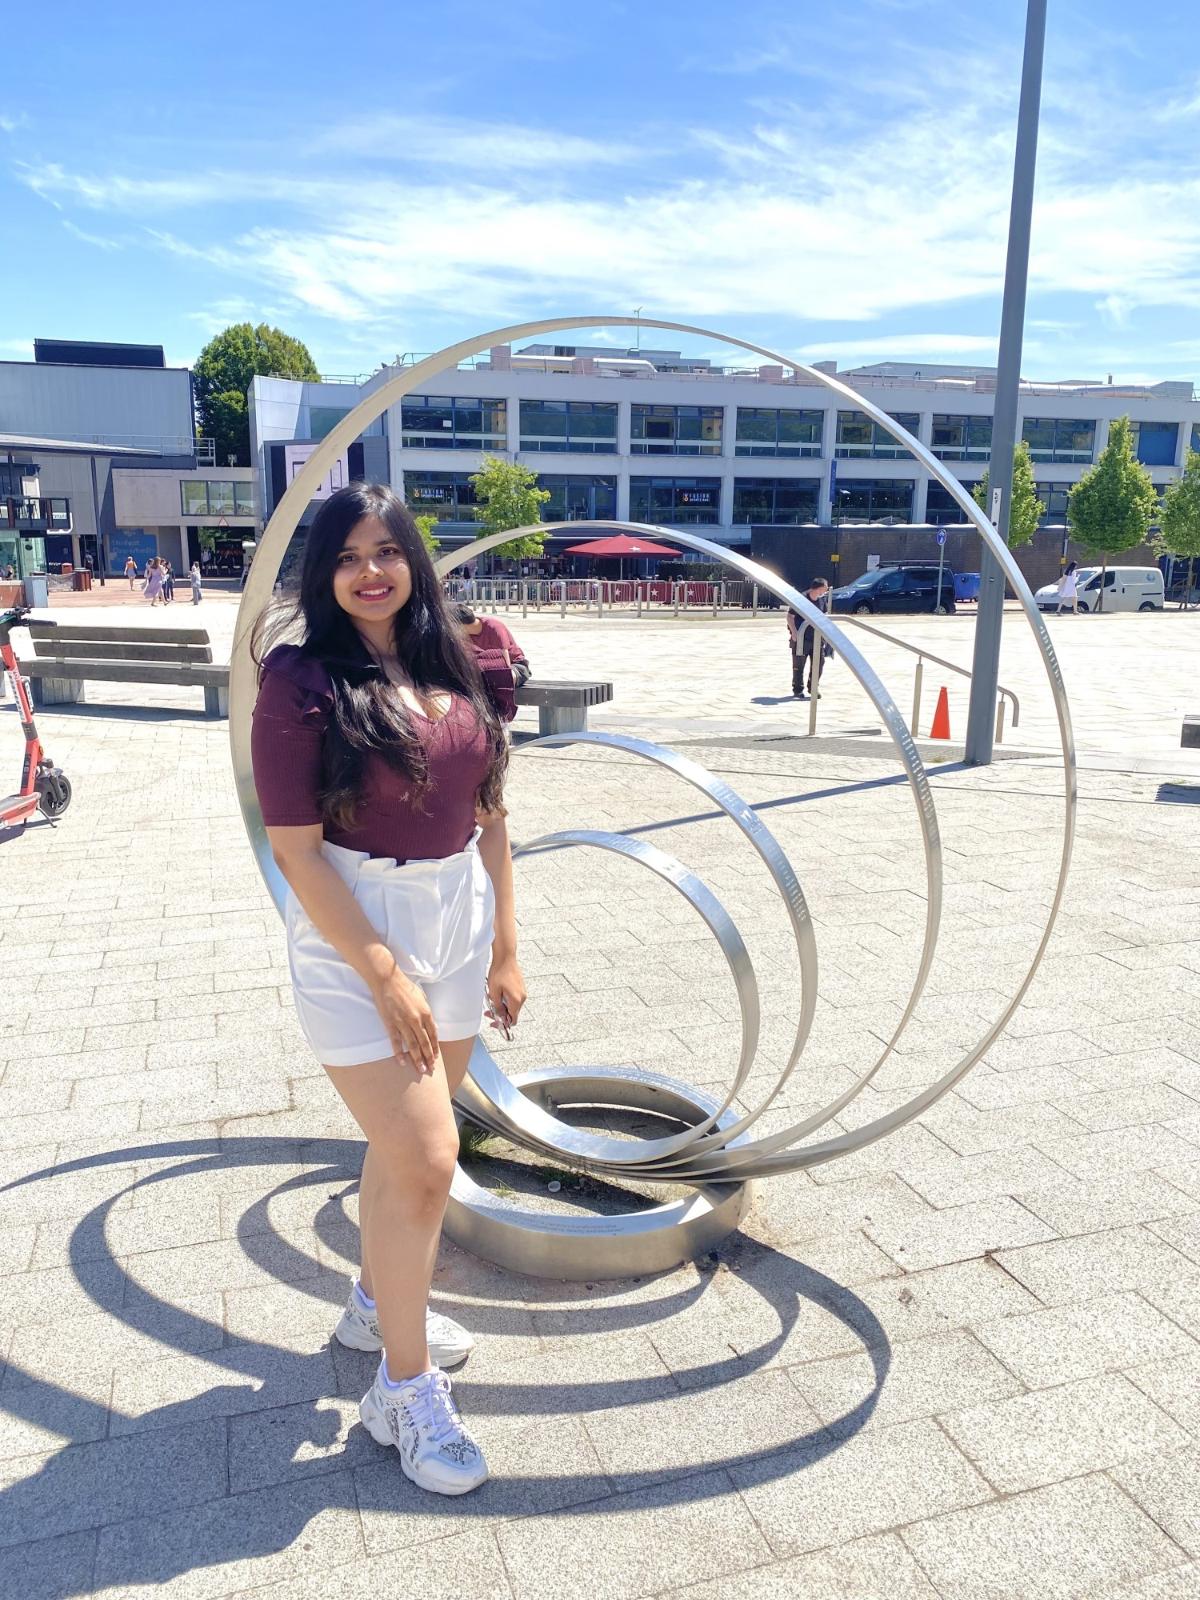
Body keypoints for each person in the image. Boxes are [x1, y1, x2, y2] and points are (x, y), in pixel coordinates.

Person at [250, 483, 525, 1497]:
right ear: (324, 574)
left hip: (455, 919)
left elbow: (491, 807)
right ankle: (400, 1392)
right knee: (426, 1157)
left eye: (387, 550)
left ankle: (376, 1299)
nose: (371, 571)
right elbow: (297, 853)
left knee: (402, 1145)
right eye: (348, 556)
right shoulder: (302, 681)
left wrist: (504, 943)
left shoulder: (461, 657)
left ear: (414, 558)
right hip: (356, 929)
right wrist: (385, 976)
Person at [787, 577, 833, 699]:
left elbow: (824, 616)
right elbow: (790, 617)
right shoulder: (801, 599)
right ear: (818, 588)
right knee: (799, 664)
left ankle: (813, 687)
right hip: (801, 637)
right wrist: (794, 633)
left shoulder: (822, 600)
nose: (826, 590)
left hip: (817, 638)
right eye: (825, 588)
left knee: (819, 663)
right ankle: (798, 689)